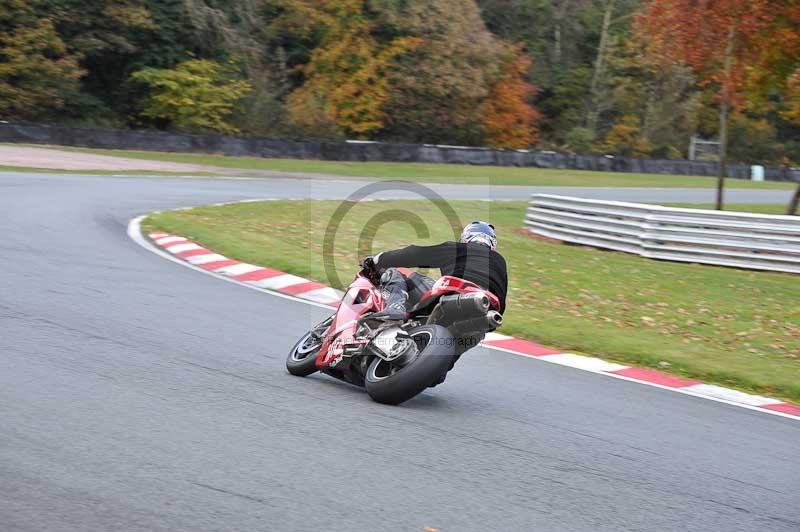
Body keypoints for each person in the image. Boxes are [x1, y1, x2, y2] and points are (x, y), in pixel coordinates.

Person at [364, 221, 508, 321]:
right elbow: (502, 299)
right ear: (492, 244)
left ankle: (395, 308)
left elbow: (415, 254)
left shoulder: (459, 249)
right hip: (486, 311)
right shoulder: (500, 261)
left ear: (466, 238)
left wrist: (378, 259)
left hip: (455, 294)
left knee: (398, 271)